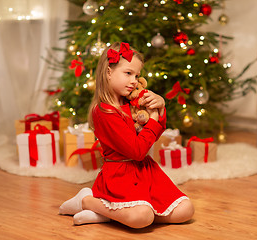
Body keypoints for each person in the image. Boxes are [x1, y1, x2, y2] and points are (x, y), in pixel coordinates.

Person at [59, 42, 194, 229]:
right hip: (120, 177)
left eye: (137, 75)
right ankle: (86, 201)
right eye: (128, 73)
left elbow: (151, 137)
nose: (134, 81)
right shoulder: (103, 112)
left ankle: (111, 214)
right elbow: (138, 150)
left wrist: (160, 107)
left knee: (185, 210)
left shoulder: (131, 102)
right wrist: (153, 120)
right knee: (143, 218)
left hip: (145, 172)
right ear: (108, 72)